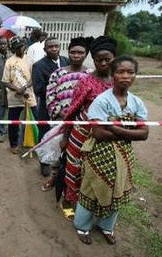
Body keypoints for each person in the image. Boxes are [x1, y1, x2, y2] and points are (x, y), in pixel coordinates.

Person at [74, 56, 148, 245]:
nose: (125, 76)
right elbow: (99, 134)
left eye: (130, 72)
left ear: (135, 76)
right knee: (91, 190)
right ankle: (82, 227)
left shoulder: (137, 102)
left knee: (118, 189)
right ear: (112, 75)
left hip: (124, 156)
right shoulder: (101, 101)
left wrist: (114, 127)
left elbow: (144, 134)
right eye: (120, 72)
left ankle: (107, 226)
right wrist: (129, 130)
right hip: (99, 154)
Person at [60, 36, 117, 220]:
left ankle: (91, 206)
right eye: (98, 59)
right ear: (93, 59)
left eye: (107, 59)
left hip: (107, 136)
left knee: (96, 172)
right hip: (81, 133)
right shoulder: (85, 82)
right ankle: (69, 201)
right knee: (75, 169)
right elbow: (72, 111)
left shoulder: (118, 82)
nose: (102, 63)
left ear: (114, 58)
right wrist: (65, 137)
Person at [39, 37, 94, 191]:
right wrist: (62, 114)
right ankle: (54, 179)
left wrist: (81, 117)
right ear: (68, 53)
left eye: (80, 52)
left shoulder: (91, 74)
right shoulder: (57, 74)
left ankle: (74, 186)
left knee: (78, 155)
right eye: (73, 52)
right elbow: (50, 96)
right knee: (58, 152)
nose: (76, 55)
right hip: (61, 122)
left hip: (83, 124)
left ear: (86, 54)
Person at [1, 36, 38, 154]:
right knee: (13, 122)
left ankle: (35, 142)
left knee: (35, 119)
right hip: (14, 98)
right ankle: (14, 144)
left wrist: (25, 88)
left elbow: (34, 77)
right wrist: (17, 89)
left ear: (24, 46)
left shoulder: (30, 60)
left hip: (29, 95)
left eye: (21, 46)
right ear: (13, 49)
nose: (19, 49)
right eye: (16, 48)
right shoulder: (9, 62)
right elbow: (5, 81)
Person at [32, 37, 69, 148]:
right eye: (50, 47)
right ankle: (43, 162)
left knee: (63, 135)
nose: (54, 49)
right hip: (46, 107)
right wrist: (58, 92)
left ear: (60, 47)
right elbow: (38, 89)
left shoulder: (67, 61)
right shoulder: (38, 66)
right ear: (45, 49)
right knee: (45, 135)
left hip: (66, 107)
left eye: (56, 46)